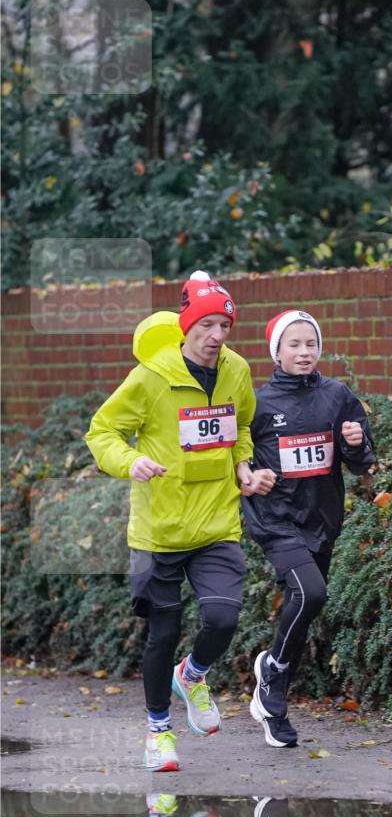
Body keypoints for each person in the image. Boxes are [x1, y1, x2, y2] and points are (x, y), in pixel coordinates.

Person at [86, 271, 276, 772]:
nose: (217, 336)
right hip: (160, 531)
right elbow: (102, 432)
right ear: (186, 325)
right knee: (162, 634)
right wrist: (131, 462)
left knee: (223, 619)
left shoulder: (236, 370)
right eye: (207, 324)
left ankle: (192, 676)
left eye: (225, 325)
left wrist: (244, 469)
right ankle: (158, 731)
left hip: (216, 522)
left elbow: (241, 431)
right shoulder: (151, 376)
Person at [242, 309, 375, 749]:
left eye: (311, 344)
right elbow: (234, 458)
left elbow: (360, 462)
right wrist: (247, 477)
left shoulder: (337, 395)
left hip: (322, 518)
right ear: (276, 352)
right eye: (294, 344)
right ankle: (273, 681)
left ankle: (271, 686)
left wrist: (356, 443)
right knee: (311, 593)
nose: (304, 352)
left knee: (306, 604)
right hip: (276, 520)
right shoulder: (257, 403)